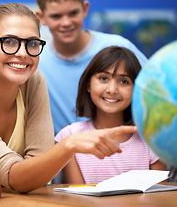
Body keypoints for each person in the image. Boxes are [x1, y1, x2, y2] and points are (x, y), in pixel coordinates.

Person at [0, 3, 137, 193]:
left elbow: (37, 169)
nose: (23, 53)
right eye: (10, 42)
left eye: (32, 43)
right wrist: (69, 145)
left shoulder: (33, 80)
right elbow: (16, 177)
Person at [35, 0, 148, 136]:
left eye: (73, 13)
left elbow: (155, 91)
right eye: (56, 16)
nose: (66, 22)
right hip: (64, 156)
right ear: (42, 18)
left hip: (119, 150)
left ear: (85, 9)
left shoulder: (119, 47)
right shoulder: (36, 59)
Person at [55, 46, 166, 184]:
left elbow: (159, 199)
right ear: (88, 85)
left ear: (136, 89)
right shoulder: (70, 137)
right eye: (103, 78)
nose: (112, 90)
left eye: (124, 81)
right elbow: (76, 198)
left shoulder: (151, 139)